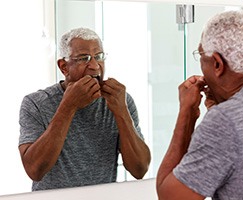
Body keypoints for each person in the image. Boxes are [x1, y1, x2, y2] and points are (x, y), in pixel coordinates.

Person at [156, 10, 243, 200]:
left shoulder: (225, 120)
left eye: (200, 56)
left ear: (217, 64)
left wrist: (187, 113)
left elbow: (171, 197)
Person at [18, 27, 151, 191]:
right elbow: (34, 170)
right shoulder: (36, 103)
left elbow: (140, 170)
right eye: (84, 58)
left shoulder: (119, 100)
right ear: (63, 67)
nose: (95, 66)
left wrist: (121, 111)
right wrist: (68, 106)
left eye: (99, 57)